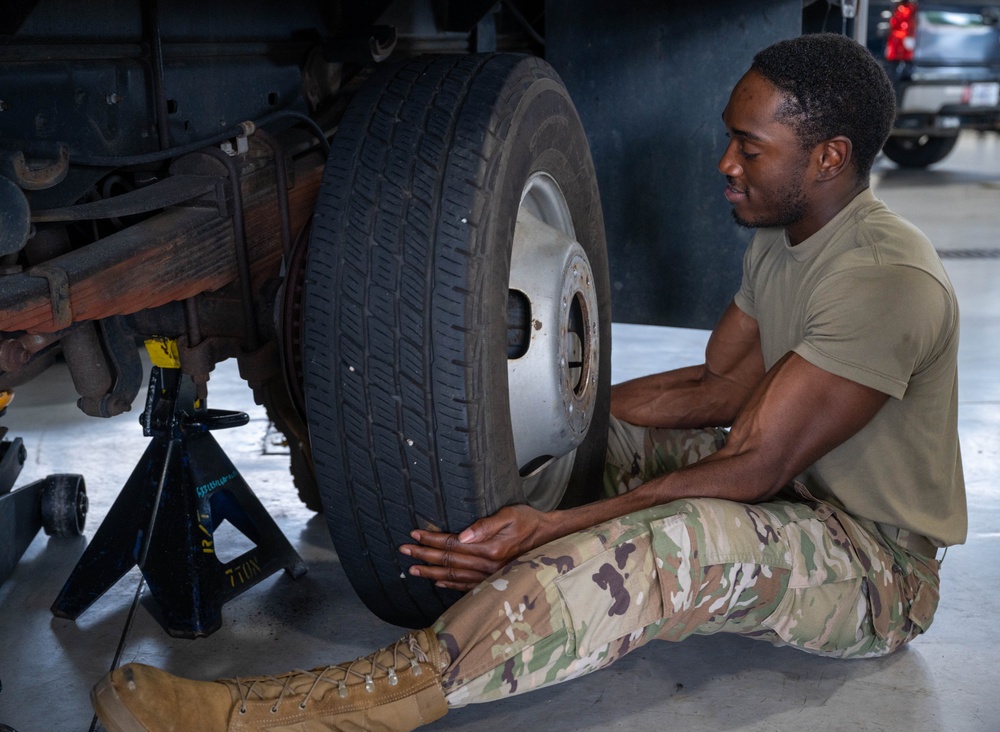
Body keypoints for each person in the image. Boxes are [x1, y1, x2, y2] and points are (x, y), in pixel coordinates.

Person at [91, 32, 966, 732]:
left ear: (828, 158)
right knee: (593, 438)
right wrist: (517, 429)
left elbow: (753, 470)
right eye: (730, 137)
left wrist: (556, 521)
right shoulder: (784, 234)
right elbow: (714, 386)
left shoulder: (887, 279)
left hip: (872, 564)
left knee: (682, 543)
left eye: (750, 146)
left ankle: (315, 711)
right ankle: (494, 558)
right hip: (792, 488)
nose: (726, 164)